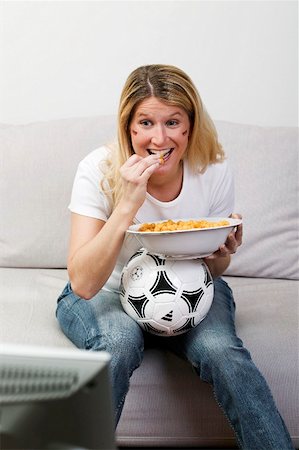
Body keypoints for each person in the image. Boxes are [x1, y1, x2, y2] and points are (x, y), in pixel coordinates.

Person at [56, 64, 294, 450]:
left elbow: (214, 268)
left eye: (172, 122)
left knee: (222, 352)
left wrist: (223, 253)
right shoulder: (98, 168)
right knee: (117, 342)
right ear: (128, 126)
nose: (159, 137)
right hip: (107, 289)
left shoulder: (212, 168)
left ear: (190, 125)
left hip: (190, 290)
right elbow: (82, 282)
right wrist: (127, 204)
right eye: (145, 123)